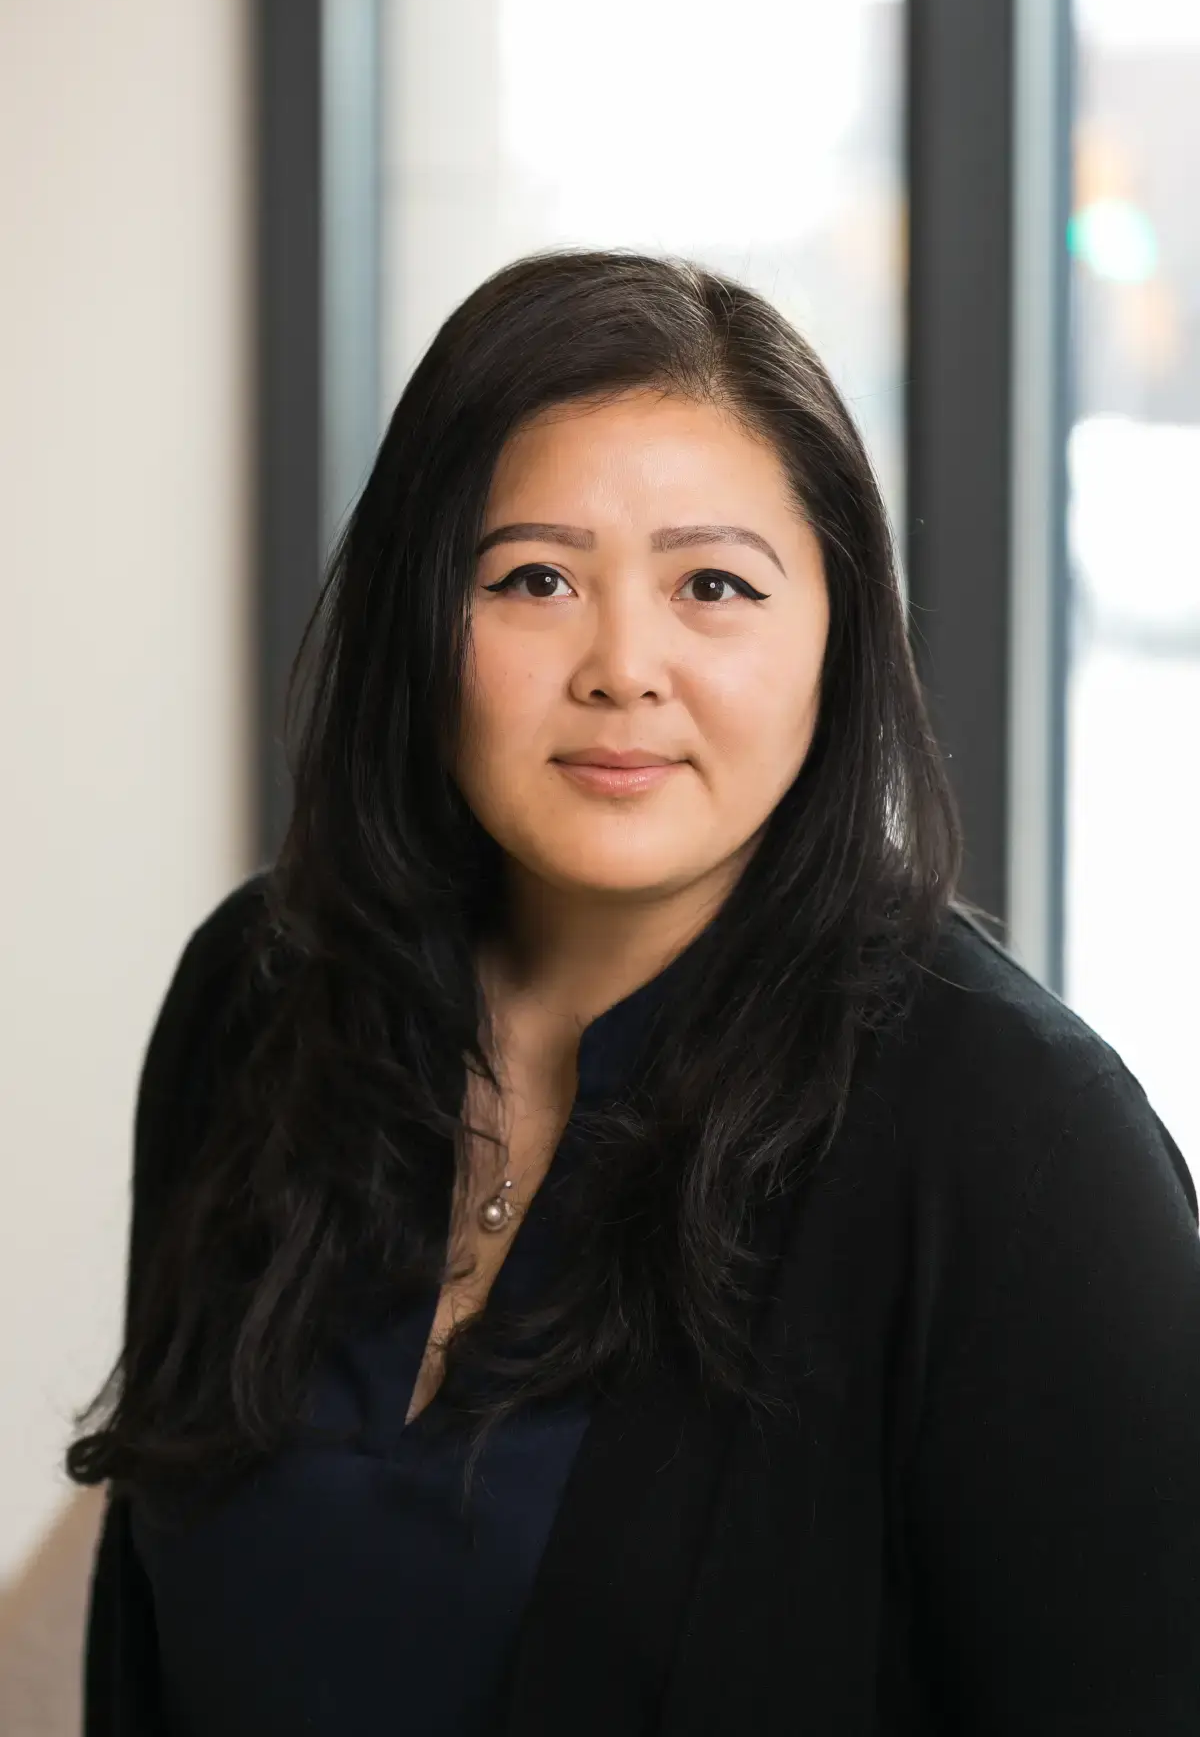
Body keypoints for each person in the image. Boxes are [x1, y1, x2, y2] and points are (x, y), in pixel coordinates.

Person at [70, 249, 1200, 1736]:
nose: (623, 666)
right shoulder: (258, 994)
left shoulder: (1022, 1145)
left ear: (837, 640)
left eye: (713, 585)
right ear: (424, 620)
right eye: (534, 578)